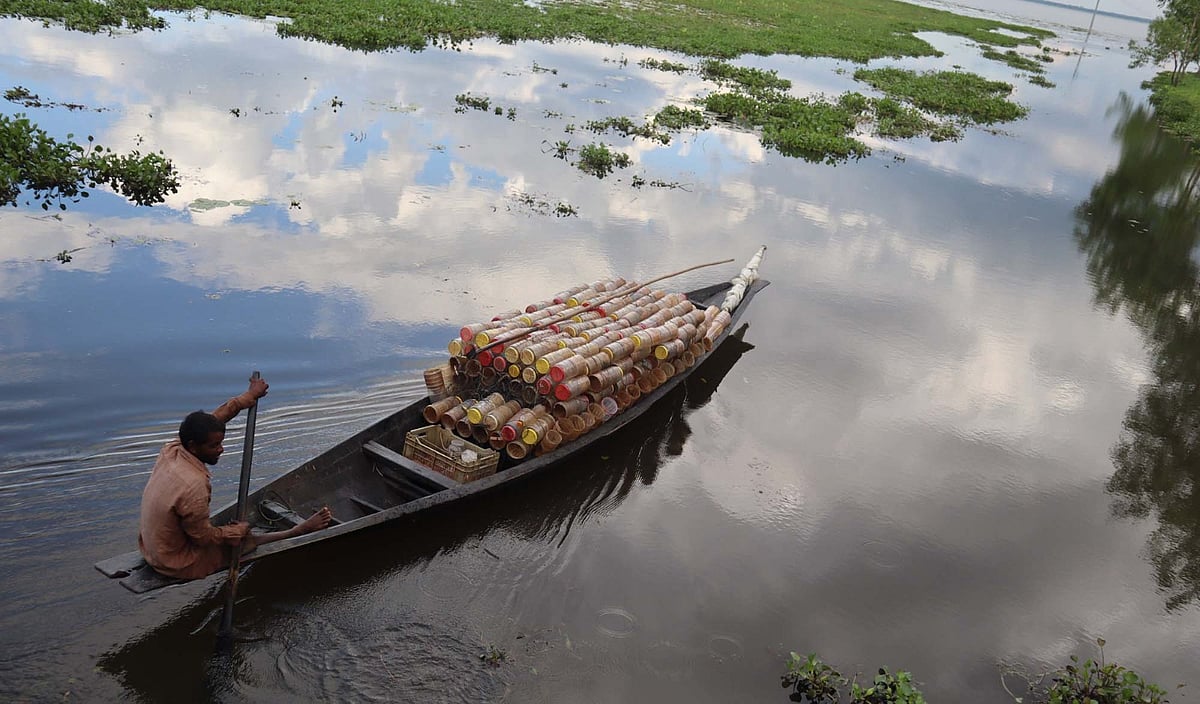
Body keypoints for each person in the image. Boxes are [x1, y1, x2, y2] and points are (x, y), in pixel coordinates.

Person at [138, 376, 333, 579]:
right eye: (214, 446)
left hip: (152, 547)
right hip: (175, 561)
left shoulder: (172, 449)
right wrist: (234, 532)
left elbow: (216, 418)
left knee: (228, 529)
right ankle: (296, 531)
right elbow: (203, 538)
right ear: (194, 446)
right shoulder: (194, 485)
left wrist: (247, 397)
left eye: (220, 443)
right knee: (244, 539)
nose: (221, 450)